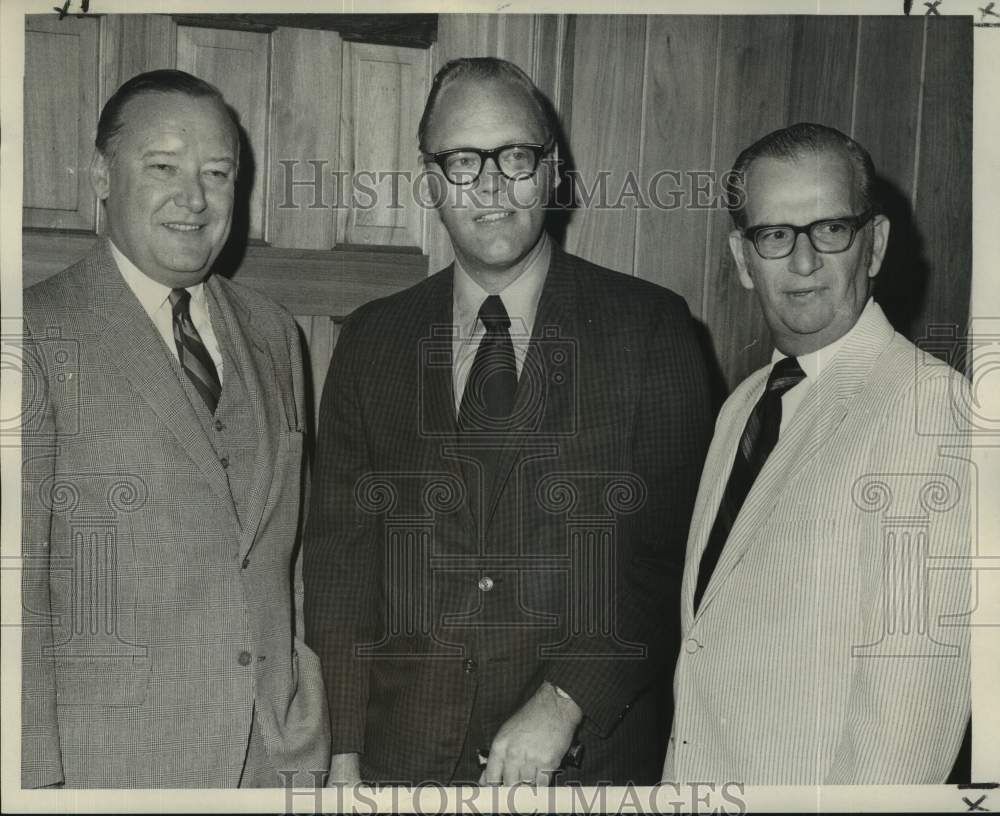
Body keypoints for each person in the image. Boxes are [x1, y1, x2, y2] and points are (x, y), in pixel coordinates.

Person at [303, 57, 712, 786]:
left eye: (514, 156)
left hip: (584, 763)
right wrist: (342, 747)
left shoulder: (650, 330)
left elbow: (672, 556)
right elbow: (342, 564)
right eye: (463, 160)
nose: (490, 185)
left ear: (552, 172)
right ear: (430, 181)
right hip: (402, 765)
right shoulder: (370, 341)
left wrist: (566, 699)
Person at [21, 69, 329, 788]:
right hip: (108, 769)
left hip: (270, 763)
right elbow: (18, 590)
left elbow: (296, 562)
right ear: (101, 176)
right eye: (163, 167)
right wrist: (32, 783)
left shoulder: (274, 334)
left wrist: (306, 733)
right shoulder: (33, 334)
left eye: (217, 173)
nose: (194, 198)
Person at [663, 123, 971, 784]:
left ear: (876, 244)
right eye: (775, 235)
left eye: (830, 229)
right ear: (744, 260)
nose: (802, 263)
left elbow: (907, 727)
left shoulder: (930, 411)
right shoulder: (742, 405)